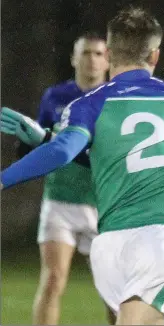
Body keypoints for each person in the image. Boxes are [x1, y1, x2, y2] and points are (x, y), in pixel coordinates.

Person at [0, 6, 164, 325]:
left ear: (110, 51)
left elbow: (68, 152)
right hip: (159, 238)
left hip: (110, 245)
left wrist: (12, 172)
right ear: (155, 56)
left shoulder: (91, 102)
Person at [1, 32, 110, 325]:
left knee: (113, 292)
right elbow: (42, 144)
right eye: (86, 53)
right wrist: (26, 140)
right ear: (74, 59)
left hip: (103, 205)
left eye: (99, 54)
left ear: (109, 60)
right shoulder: (56, 97)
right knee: (53, 280)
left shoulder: (114, 99)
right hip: (61, 200)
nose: (92, 60)